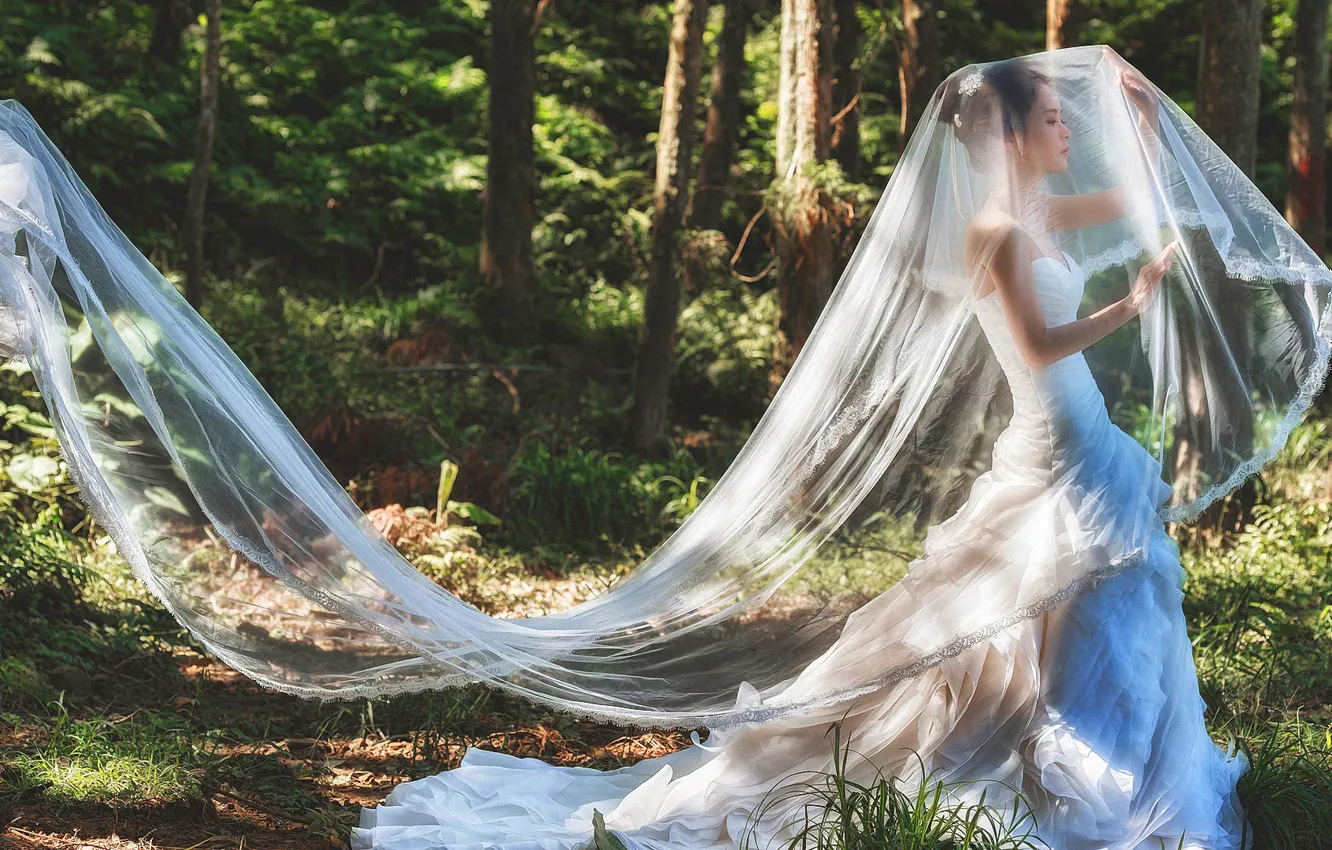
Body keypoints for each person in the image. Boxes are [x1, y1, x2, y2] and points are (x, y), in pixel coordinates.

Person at [348, 51, 1254, 850]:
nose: (1067, 130)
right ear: (1011, 136)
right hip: (1054, 440)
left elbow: (1138, 200)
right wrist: (1126, 307)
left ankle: (1117, 776)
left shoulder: (1046, 212)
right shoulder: (996, 232)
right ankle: (1061, 781)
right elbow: (1039, 344)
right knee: (1062, 594)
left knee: (1111, 596)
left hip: (1085, 442)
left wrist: (1137, 112)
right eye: (1053, 118)